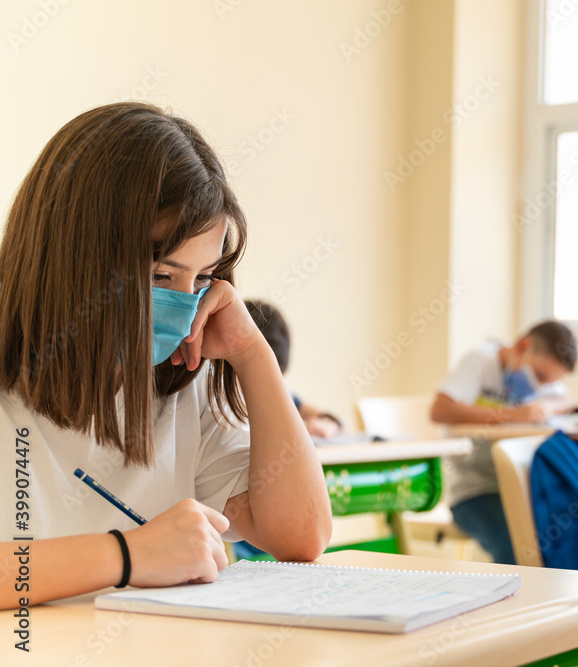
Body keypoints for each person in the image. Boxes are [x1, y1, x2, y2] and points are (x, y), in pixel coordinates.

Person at [0, 102, 333, 609]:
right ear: (75, 256)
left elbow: (300, 535)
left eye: (201, 280)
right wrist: (128, 555)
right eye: (161, 276)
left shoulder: (182, 381)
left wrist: (252, 354)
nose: (183, 308)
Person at [430, 321, 577, 564]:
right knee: (517, 549)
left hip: (520, 486)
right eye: (540, 376)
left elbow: (564, 400)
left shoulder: (540, 382)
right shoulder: (480, 360)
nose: (539, 386)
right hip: (474, 489)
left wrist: (544, 408)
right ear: (523, 346)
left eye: (547, 383)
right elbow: (440, 410)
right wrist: (511, 415)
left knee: (567, 534)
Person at [245, 299, 343, 439]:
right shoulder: (222, 398)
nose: (264, 387)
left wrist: (326, 424)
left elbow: (333, 420)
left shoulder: (281, 394)